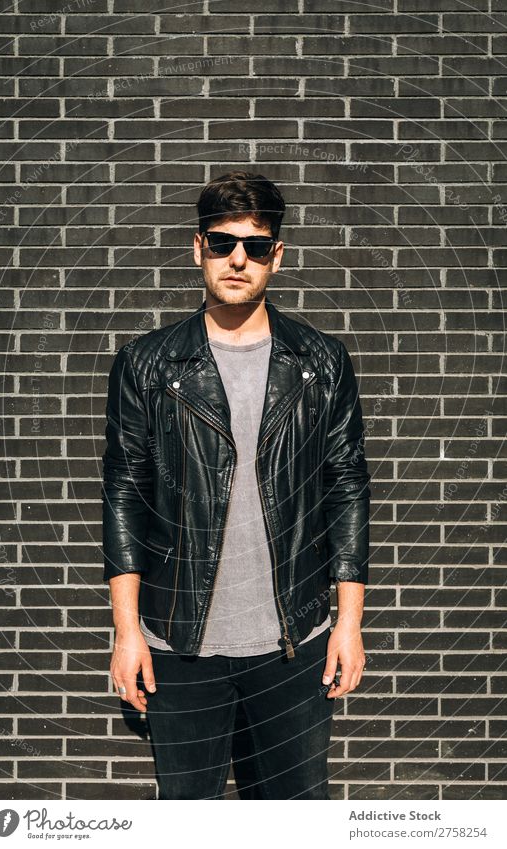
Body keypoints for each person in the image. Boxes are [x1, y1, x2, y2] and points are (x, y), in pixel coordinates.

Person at [101, 170, 371, 799]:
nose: (237, 259)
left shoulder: (321, 362)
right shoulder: (148, 364)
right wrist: (126, 631)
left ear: (277, 255)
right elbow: (124, 496)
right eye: (222, 244)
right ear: (198, 248)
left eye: (254, 245)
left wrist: (348, 624)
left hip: (292, 642)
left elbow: (347, 488)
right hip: (178, 640)